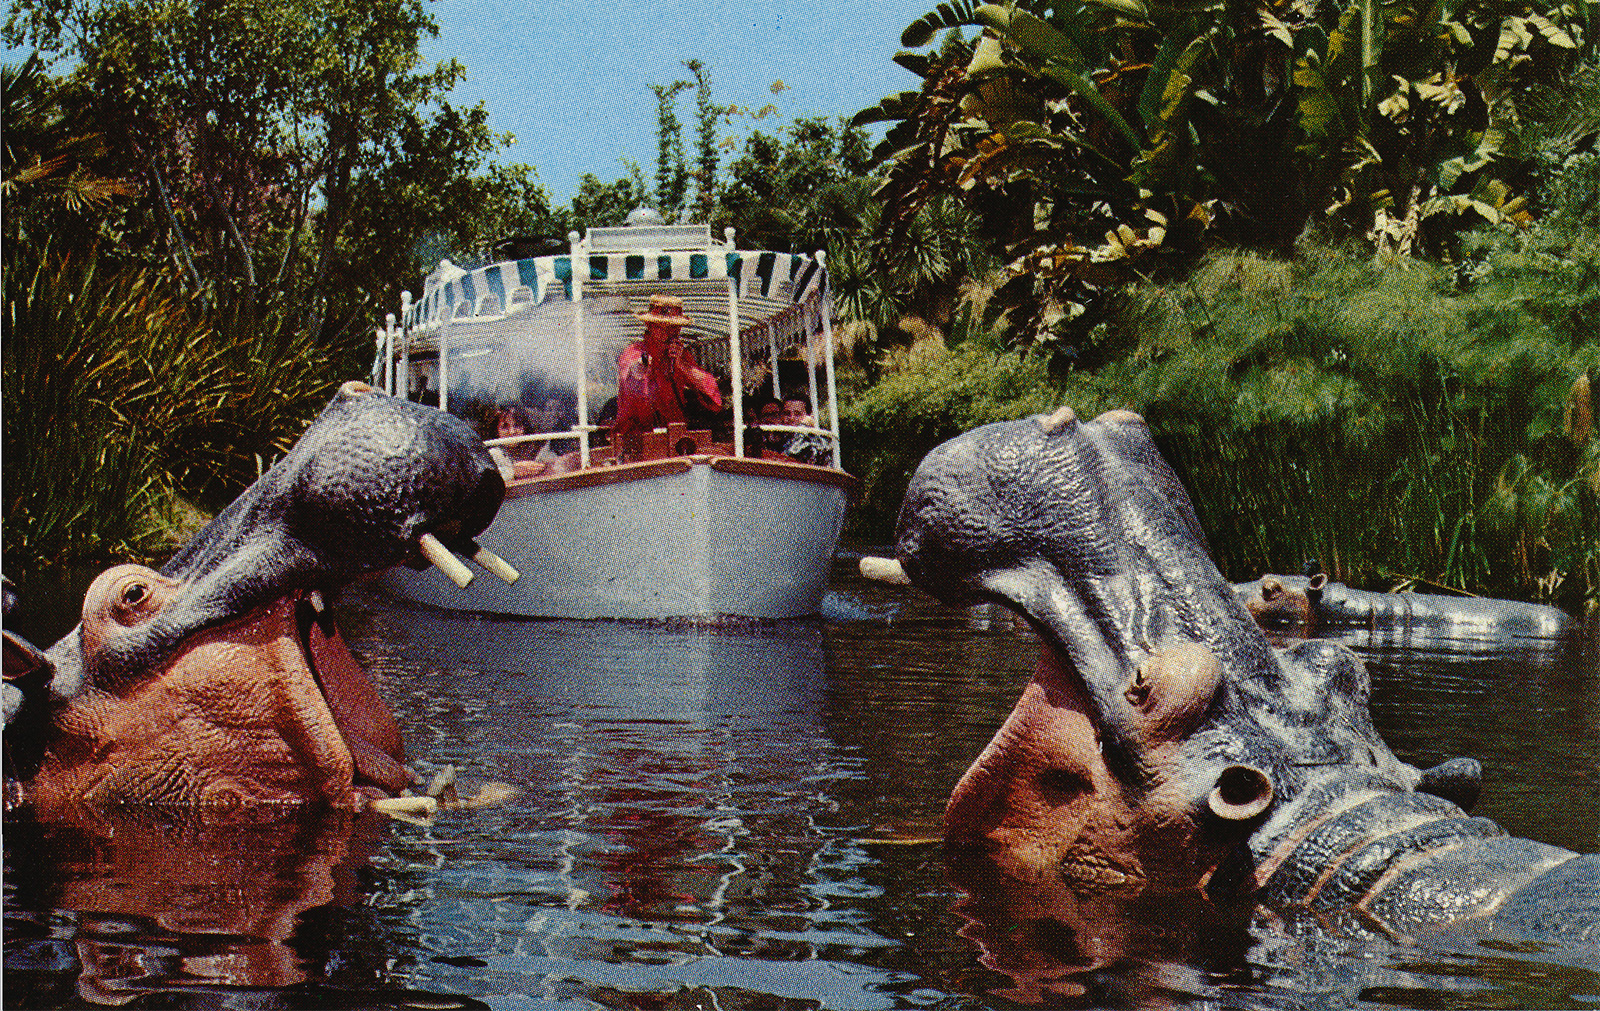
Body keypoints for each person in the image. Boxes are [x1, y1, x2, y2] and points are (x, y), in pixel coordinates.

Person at [613, 295, 723, 438]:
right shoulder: (634, 351)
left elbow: (714, 397)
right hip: (636, 439)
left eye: (675, 327)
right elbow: (631, 372)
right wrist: (641, 366)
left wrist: (682, 366)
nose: (669, 333)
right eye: (661, 327)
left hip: (675, 438)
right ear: (649, 326)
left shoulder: (681, 356)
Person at [778, 392, 833, 466]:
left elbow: (790, 454)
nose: (791, 418)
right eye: (787, 413)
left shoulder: (815, 440)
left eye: (797, 414)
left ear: (808, 417)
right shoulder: (778, 438)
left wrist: (803, 427)